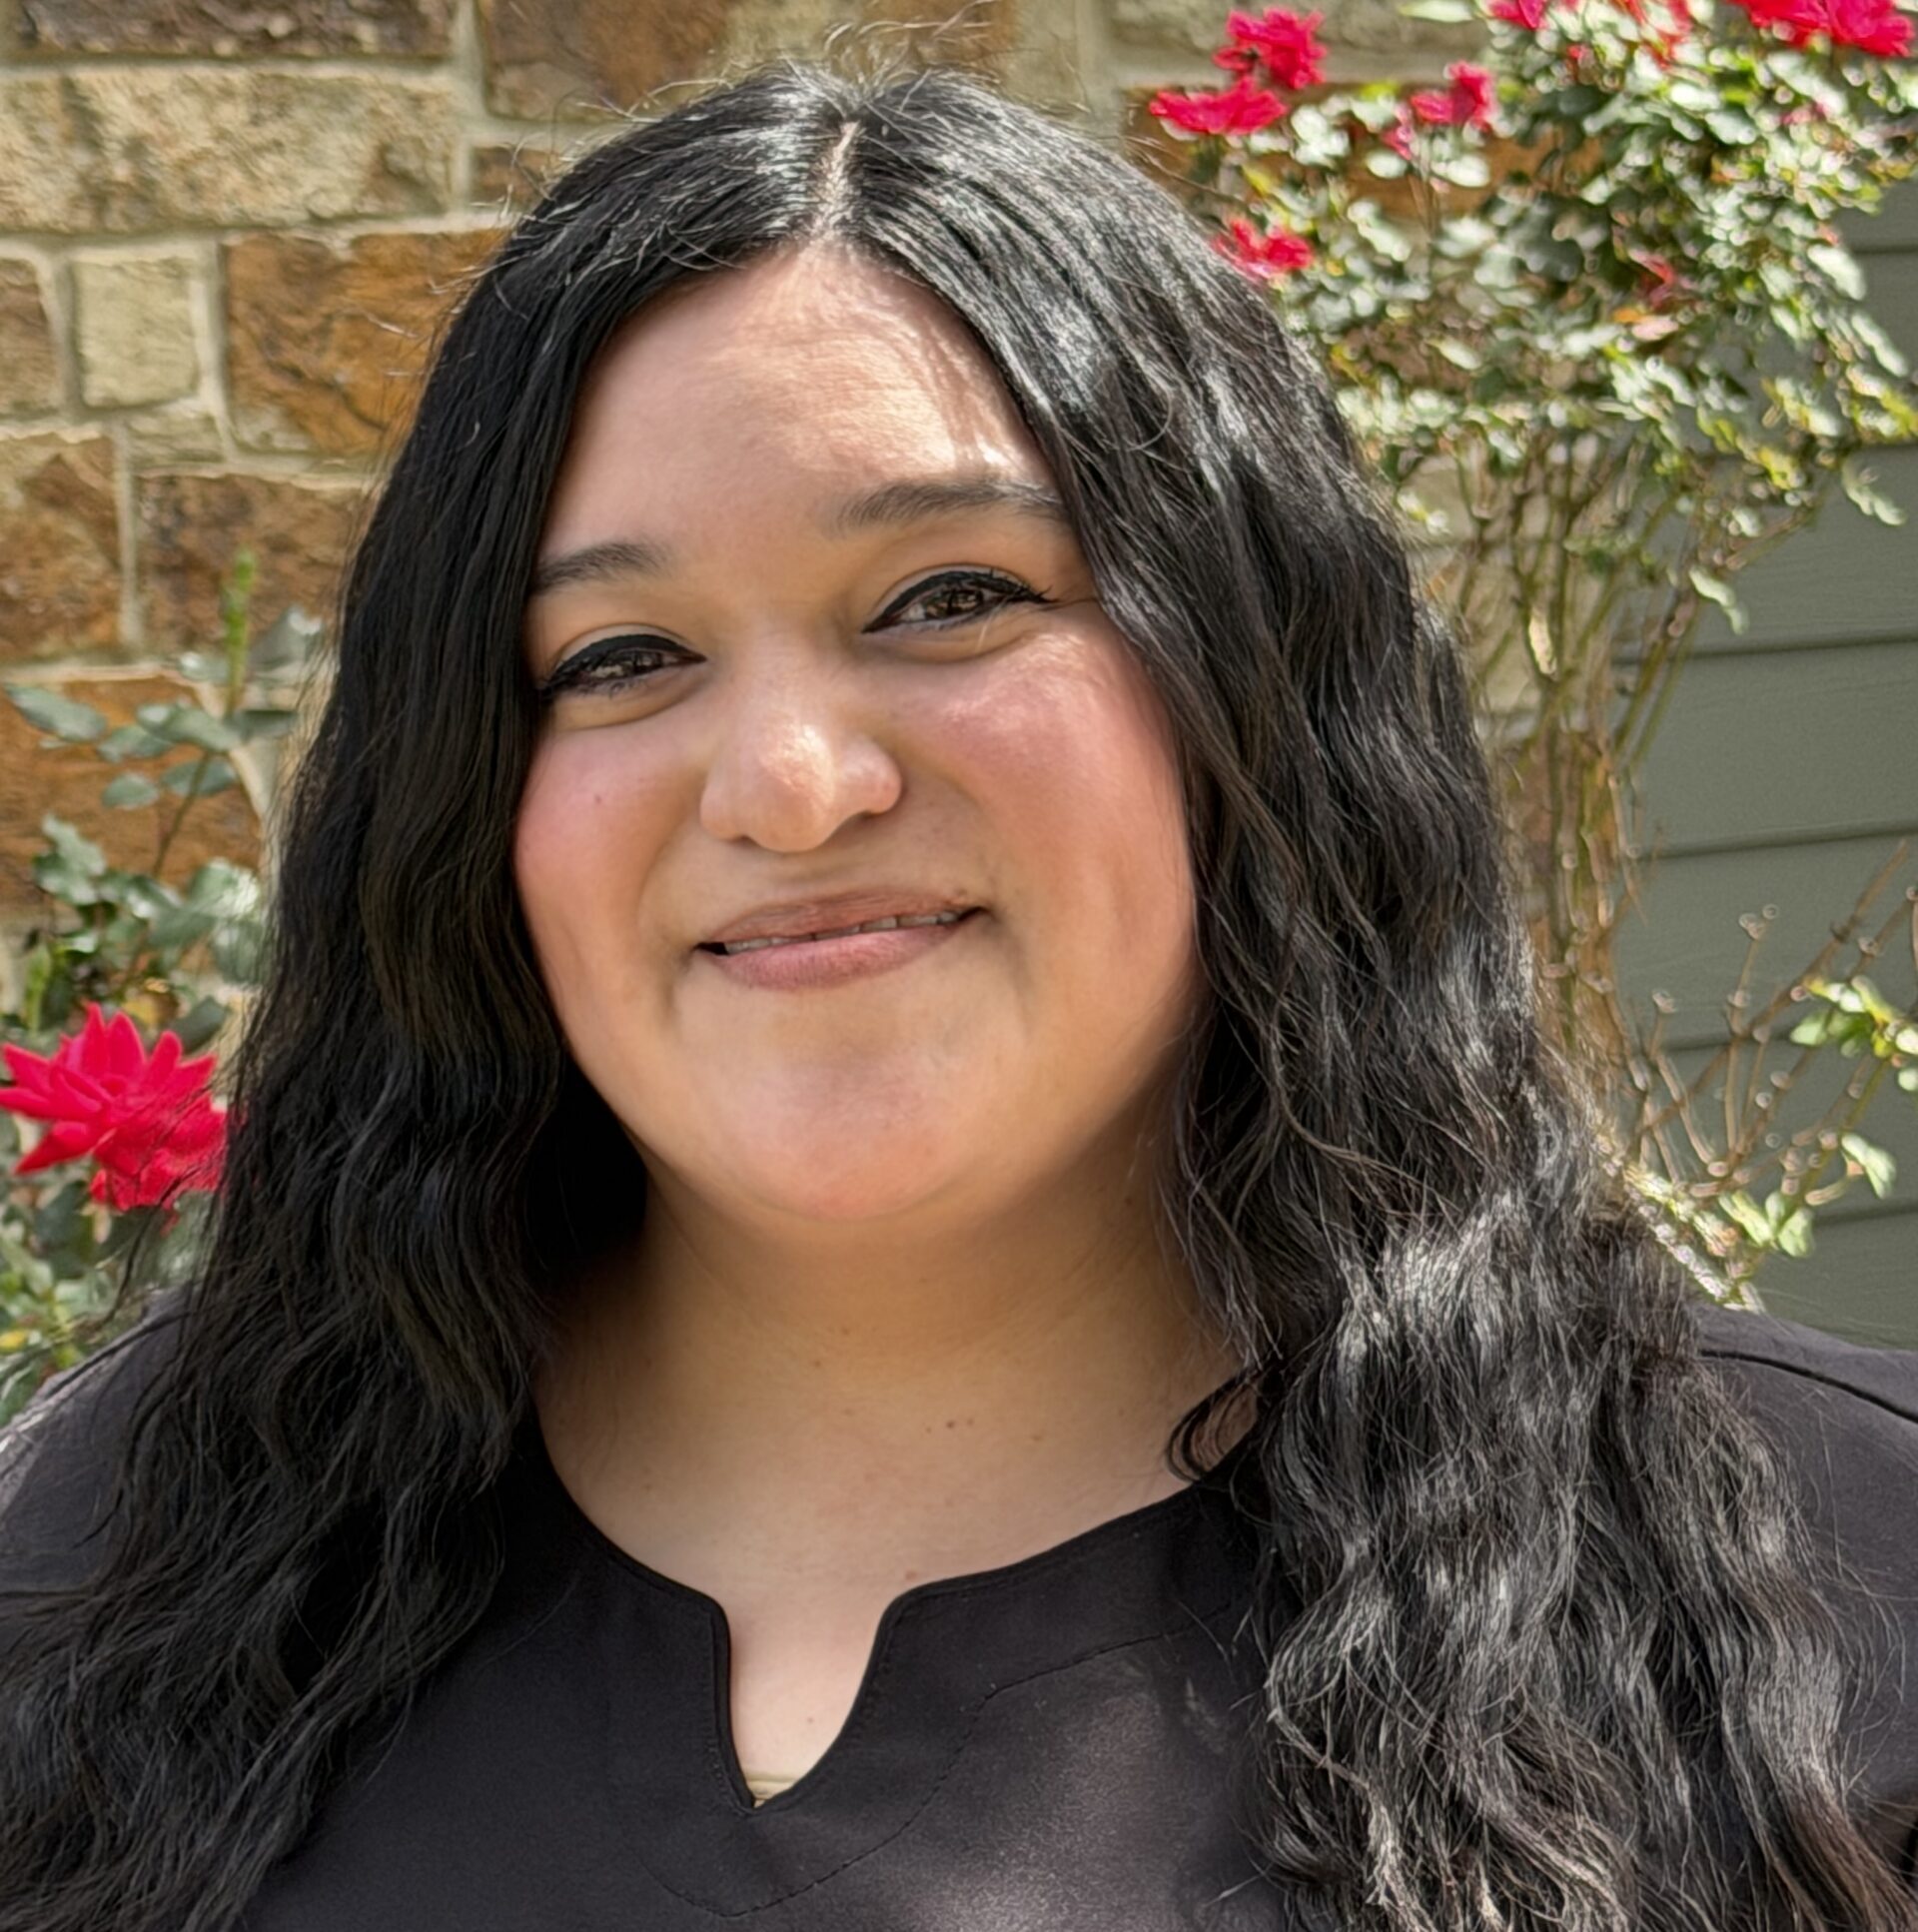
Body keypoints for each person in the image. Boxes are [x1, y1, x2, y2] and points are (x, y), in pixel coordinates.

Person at [0, 50, 1915, 1932]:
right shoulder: (94, 1573)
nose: (789, 784)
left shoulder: (1848, 1602)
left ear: (1250, 680)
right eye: (624, 654)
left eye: (949, 599)